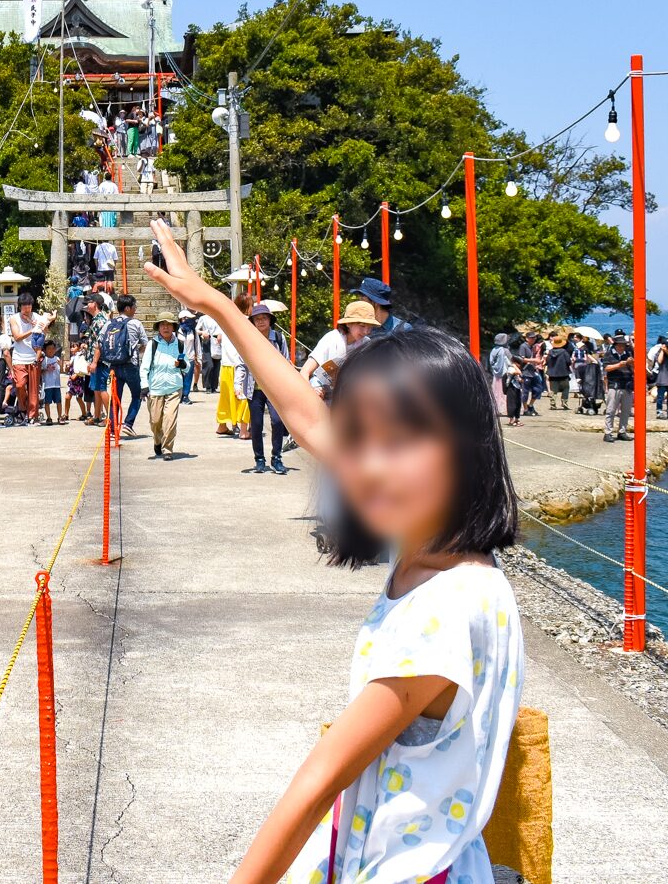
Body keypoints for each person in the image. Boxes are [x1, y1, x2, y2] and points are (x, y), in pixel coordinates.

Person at [137, 218, 523, 884]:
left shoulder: (440, 616)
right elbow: (310, 417)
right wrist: (216, 303)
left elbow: (315, 786)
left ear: (467, 451)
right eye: (360, 439)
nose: (367, 465)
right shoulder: (457, 565)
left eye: (401, 441)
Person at [243, 300, 293, 473]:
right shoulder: (248, 340)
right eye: (257, 319)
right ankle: (259, 459)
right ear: (253, 322)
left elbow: (286, 362)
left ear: (270, 320)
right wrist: (237, 385)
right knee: (256, 425)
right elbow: (241, 364)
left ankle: (277, 457)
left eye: (264, 318)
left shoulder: (278, 338)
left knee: (277, 421)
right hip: (254, 388)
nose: (261, 321)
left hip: (274, 388)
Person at [302, 300, 377, 398]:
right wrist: (312, 390)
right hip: (320, 392)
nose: (366, 331)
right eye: (362, 326)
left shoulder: (367, 344)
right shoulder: (331, 339)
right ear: (348, 324)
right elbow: (305, 371)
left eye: (370, 327)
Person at [96, 293, 146, 435]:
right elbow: (144, 344)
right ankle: (128, 424)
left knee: (115, 398)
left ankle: (112, 429)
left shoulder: (109, 324)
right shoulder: (135, 323)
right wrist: (135, 352)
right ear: (128, 308)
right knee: (137, 395)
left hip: (113, 366)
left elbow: (99, 343)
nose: (135, 309)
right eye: (134, 306)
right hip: (131, 365)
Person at [141, 317, 187, 457]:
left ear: (173, 327)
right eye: (162, 325)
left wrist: (183, 365)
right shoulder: (152, 344)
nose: (165, 328)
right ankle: (157, 441)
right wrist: (144, 385)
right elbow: (144, 367)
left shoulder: (179, 344)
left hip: (174, 387)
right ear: (158, 327)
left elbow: (186, 365)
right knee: (155, 421)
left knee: (170, 420)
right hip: (156, 388)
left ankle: (168, 449)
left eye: (168, 325)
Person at [215, 292, 252, 436]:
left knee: (226, 397)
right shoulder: (248, 322)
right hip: (240, 364)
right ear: (248, 306)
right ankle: (243, 430)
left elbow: (218, 338)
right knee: (243, 397)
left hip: (225, 364)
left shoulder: (227, 320)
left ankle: (222, 425)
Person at [4, 296, 44, 422]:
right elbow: (17, 337)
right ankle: (23, 407)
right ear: (20, 307)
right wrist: (33, 330)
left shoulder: (37, 317)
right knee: (20, 385)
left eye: (29, 306)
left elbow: (44, 331)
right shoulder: (14, 318)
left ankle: (32, 415)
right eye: (24, 306)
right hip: (19, 358)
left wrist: (42, 326)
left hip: (33, 357)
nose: (27, 309)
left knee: (33, 389)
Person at [602, 329, 635, 442]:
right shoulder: (609, 354)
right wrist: (619, 365)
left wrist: (631, 363)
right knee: (611, 410)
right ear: (615, 345)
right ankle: (608, 432)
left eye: (623, 345)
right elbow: (606, 368)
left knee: (626, 411)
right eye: (620, 345)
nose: (622, 347)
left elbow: (634, 369)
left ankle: (622, 431)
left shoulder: (628, 354)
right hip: (614, 385)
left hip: (627, 385)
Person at [195, 308, 223, 393]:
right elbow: (196, 329)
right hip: (207, 342)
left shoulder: (219, 317)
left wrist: (220, 335)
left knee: (216, 365)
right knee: (209, 364)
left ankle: (214, 386)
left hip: (217, 343)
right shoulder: (203, 318)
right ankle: (208, 386)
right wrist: (203, 333)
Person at [66, 343, 95, 424]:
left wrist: (77, 374)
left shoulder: (81, 356)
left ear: (78, 349)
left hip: (79, 381)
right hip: (71, 381)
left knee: (79, 398)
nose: (72, 349)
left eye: (74, 347)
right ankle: (66, 414)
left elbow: (83, 368)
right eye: (71, 347)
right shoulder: (72, 358)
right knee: (67, 397)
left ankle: (84, 414)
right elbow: (70, 367)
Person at [485, 332, 512, 416]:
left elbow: (490, 362)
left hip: (495, 374)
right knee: (504, 392)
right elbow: (511, 360)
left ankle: (496, 409)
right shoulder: (505, 350)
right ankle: (505, 409)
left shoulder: (494, 350)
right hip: (504, 374)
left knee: (496, 392)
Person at [177, 311, 200, 404]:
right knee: (179, 377)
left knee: (188, 378)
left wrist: (198, 357)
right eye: (187, 318)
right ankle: (179, 395)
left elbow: (197, 344)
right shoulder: (176, 331)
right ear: (182, 319)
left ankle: (185, 395)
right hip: (180, 357)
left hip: (190, 357)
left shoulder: (193, 331)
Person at [546, 332, 572, 411]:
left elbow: (547, 362)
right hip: (563, 373)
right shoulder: (564, 352)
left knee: (553, 390)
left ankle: (553, 404)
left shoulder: (550, 352)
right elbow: (568, 362)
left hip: (552, 374)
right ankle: (564, 403)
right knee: (566, 388)